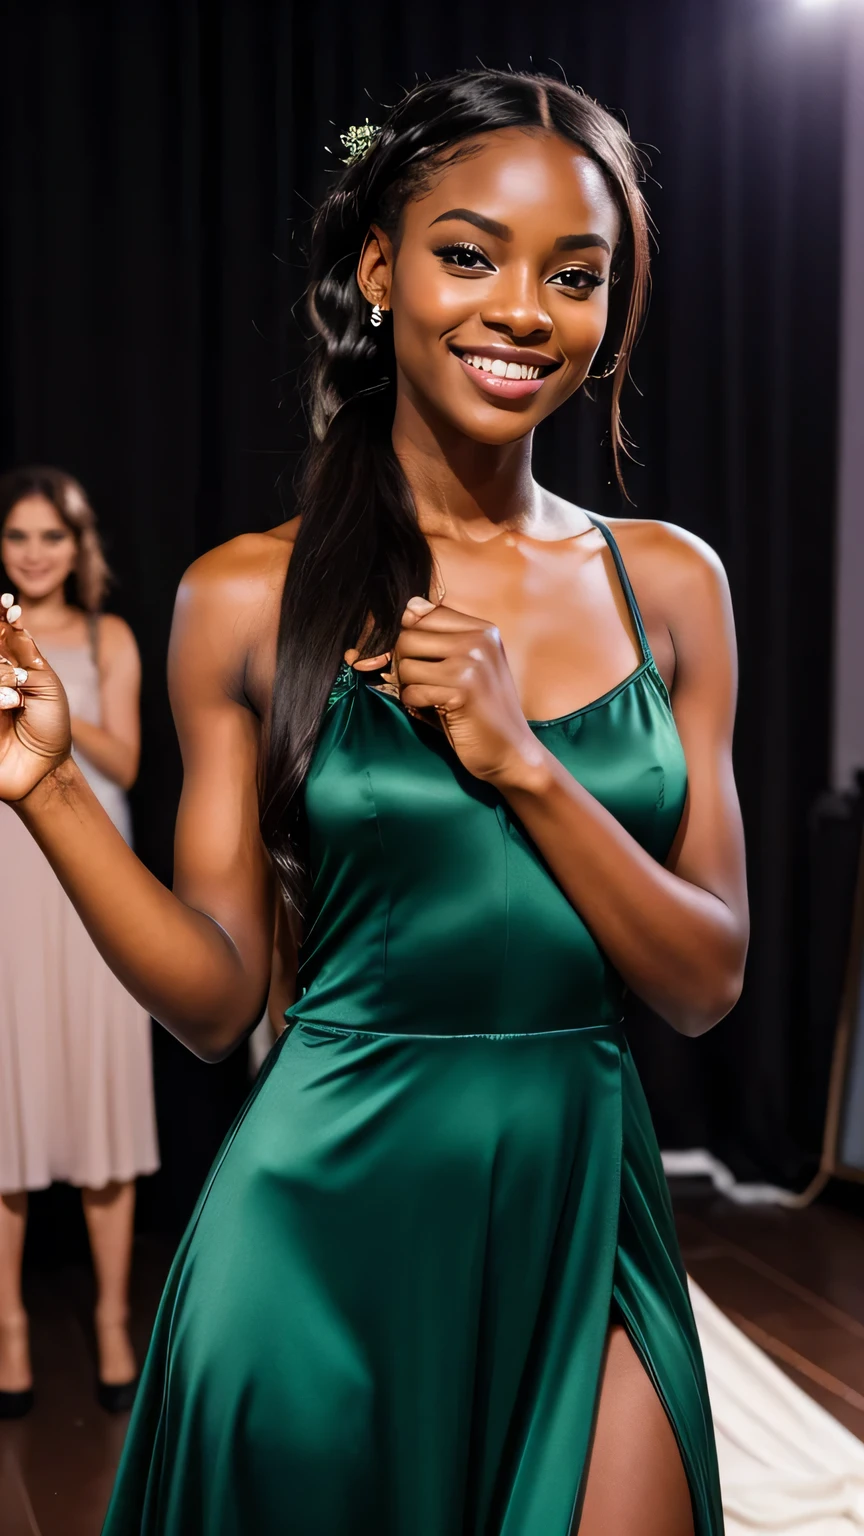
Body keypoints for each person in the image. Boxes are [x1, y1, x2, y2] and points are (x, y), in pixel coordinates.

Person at [0, 70, 748, 1535]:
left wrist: (522, 758)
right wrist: (48, 794)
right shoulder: (242, 593)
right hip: (322, 1222)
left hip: (580, 1203)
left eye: (576, 275)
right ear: (378, 269)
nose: (525, 309)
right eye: (471, 253)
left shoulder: (667, 583)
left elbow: (707, 978)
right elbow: (219, 1005)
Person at [0, 466, 158, 1418]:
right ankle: (8, 1327)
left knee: (103, 1094)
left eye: (49, 537)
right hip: (8, 877)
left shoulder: (111, 637)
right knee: (6, 1095)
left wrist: (51, 698)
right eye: (18, 537)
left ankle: (109, 1321)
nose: (33, 553)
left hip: (97, 874)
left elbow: (130, 761)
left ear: (77, 544)